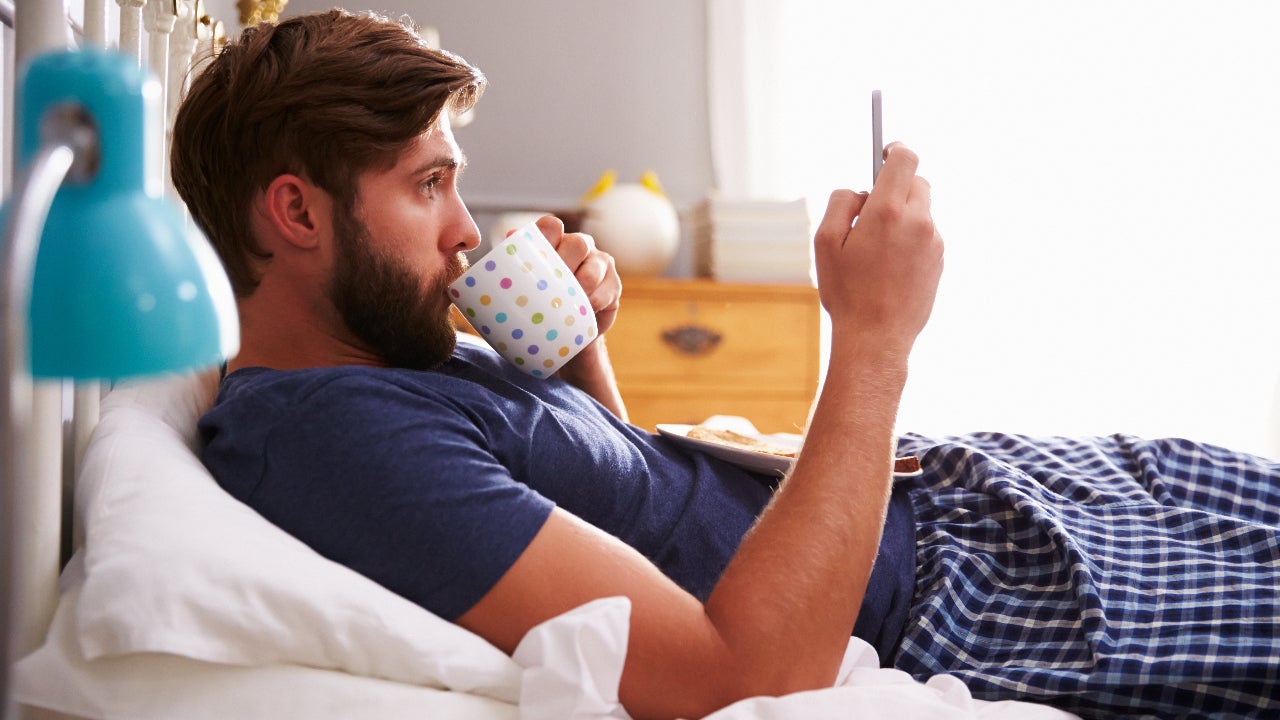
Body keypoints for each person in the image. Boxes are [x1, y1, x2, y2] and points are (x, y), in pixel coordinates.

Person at [171, 9, 1280, 720]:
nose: (466, 229)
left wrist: (574, 356)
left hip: (960, 492)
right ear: (294, 213)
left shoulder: (386, 351)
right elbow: (739, 671)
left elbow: (634, 499)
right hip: (966, 593)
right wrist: (874, 339)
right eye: (427, 186)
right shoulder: (328, 436)